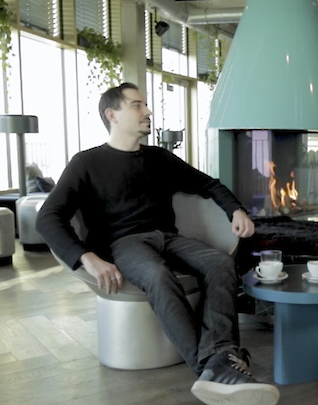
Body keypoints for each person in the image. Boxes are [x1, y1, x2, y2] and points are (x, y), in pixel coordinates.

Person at [35, 83, 279, 405]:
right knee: (157, 275)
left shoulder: (159, 158)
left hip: (169, 238)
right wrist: (87, 257)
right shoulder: (86, 163)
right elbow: (48, 217)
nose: (148, 111)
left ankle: (217, 364)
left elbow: (208, 184)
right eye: (137, 105)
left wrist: (236, 210)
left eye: (145, 105)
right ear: (112, 115)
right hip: (123, 244)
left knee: (220, 262)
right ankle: (215, 366)